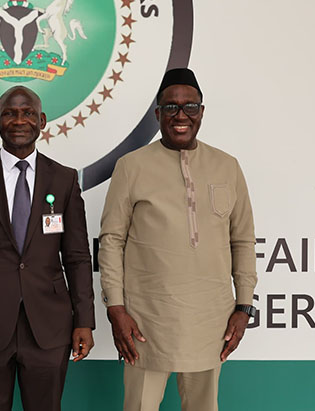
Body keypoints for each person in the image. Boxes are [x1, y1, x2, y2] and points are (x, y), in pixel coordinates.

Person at [98, 67, 257, 411]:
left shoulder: (227, 166)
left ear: (201, 112)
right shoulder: (131, 166)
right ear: (158, 114)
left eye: (190, 107)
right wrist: (116, 307)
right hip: (145, 320)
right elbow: (111, 240)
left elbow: (242, 241)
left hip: (211, 320)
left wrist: (243, 306)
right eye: (171, 107)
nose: (181, 115)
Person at [0, 85, 95, 411]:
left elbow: (78, 257)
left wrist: (84, 320)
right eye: (10, 113)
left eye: (28, 113)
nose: (19, 120)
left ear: (42, 120)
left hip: (49, 329)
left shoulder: (64, 180)